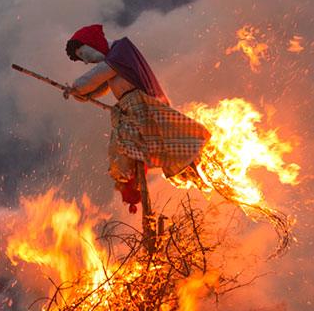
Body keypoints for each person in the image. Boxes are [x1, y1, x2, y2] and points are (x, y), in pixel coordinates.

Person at [64, 24, 209, 211]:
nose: (86, 61)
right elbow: (102, 86)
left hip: (139, 107)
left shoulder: (121, 51)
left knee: (124, 143)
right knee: (127, 145)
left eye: (84, 54)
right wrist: (81, 94)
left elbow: (95, 78)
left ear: (93, 43)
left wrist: (77, 87)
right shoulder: (114, 60)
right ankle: (130, 183)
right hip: (132, 109)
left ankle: (129, 179)